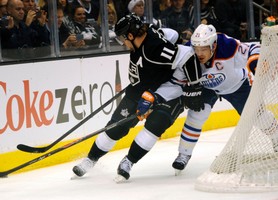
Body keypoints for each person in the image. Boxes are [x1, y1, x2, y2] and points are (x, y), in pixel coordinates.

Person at [72, 13, 201, 182]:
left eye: (123, 38)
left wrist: (195, 87)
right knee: (115, 128)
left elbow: (188, 56)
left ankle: (128, 162)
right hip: (139, 90)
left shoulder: (155, 48)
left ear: (131, 35)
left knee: (155, 125)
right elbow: (173, 35)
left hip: (167, 92)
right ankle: (91, 159)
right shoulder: (145, 39)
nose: (122, 43)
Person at [172, 24, 278, 174]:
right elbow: (176, 76)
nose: (199, 53)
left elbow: (253, 48)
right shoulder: (188, 52)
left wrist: (256, 63)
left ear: (213, 45)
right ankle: (184, 154)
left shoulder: (227, 45)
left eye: (203, 48)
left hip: (237, 86)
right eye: (196, 48)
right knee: (197, 115)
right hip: (207, 88)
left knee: (259, 116)